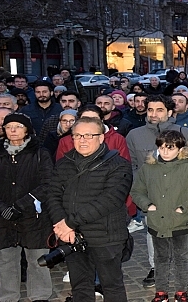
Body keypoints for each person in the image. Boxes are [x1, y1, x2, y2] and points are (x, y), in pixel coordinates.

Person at [48, 116, 133, 301]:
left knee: (112, 287)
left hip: (106, 236)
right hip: (72, 237)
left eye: (88, 135)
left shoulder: (118, 165)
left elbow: (109, 200)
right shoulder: (64, 163)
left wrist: (69, 223)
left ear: (101, 137)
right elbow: (52, 195)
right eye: (77, 135)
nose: (82, 140)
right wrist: (61, 225)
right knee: (80, 288)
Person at [131, 130, 188, 302]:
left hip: (181, 221)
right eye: (162, 147)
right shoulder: (148, 168)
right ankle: (161, 291)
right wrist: (147, 205)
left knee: (181, 257)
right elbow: (137, 191)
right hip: (157, 221)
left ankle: (181, 290)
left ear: (180, 149)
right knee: (160, 258)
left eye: (170, 148)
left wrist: (184, 207)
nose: (165, 152)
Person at [0, 113, 54, 302]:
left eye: (18, 126)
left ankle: (39, 295)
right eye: (9, 127)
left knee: (37, 260)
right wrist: (3, 208)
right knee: (6, 261)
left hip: (34, 217)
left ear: (27, 130)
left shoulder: (40, 153)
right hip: (3, 218)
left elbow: (47, 184)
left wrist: (21, 205)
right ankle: (8, 296)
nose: (13, 130)